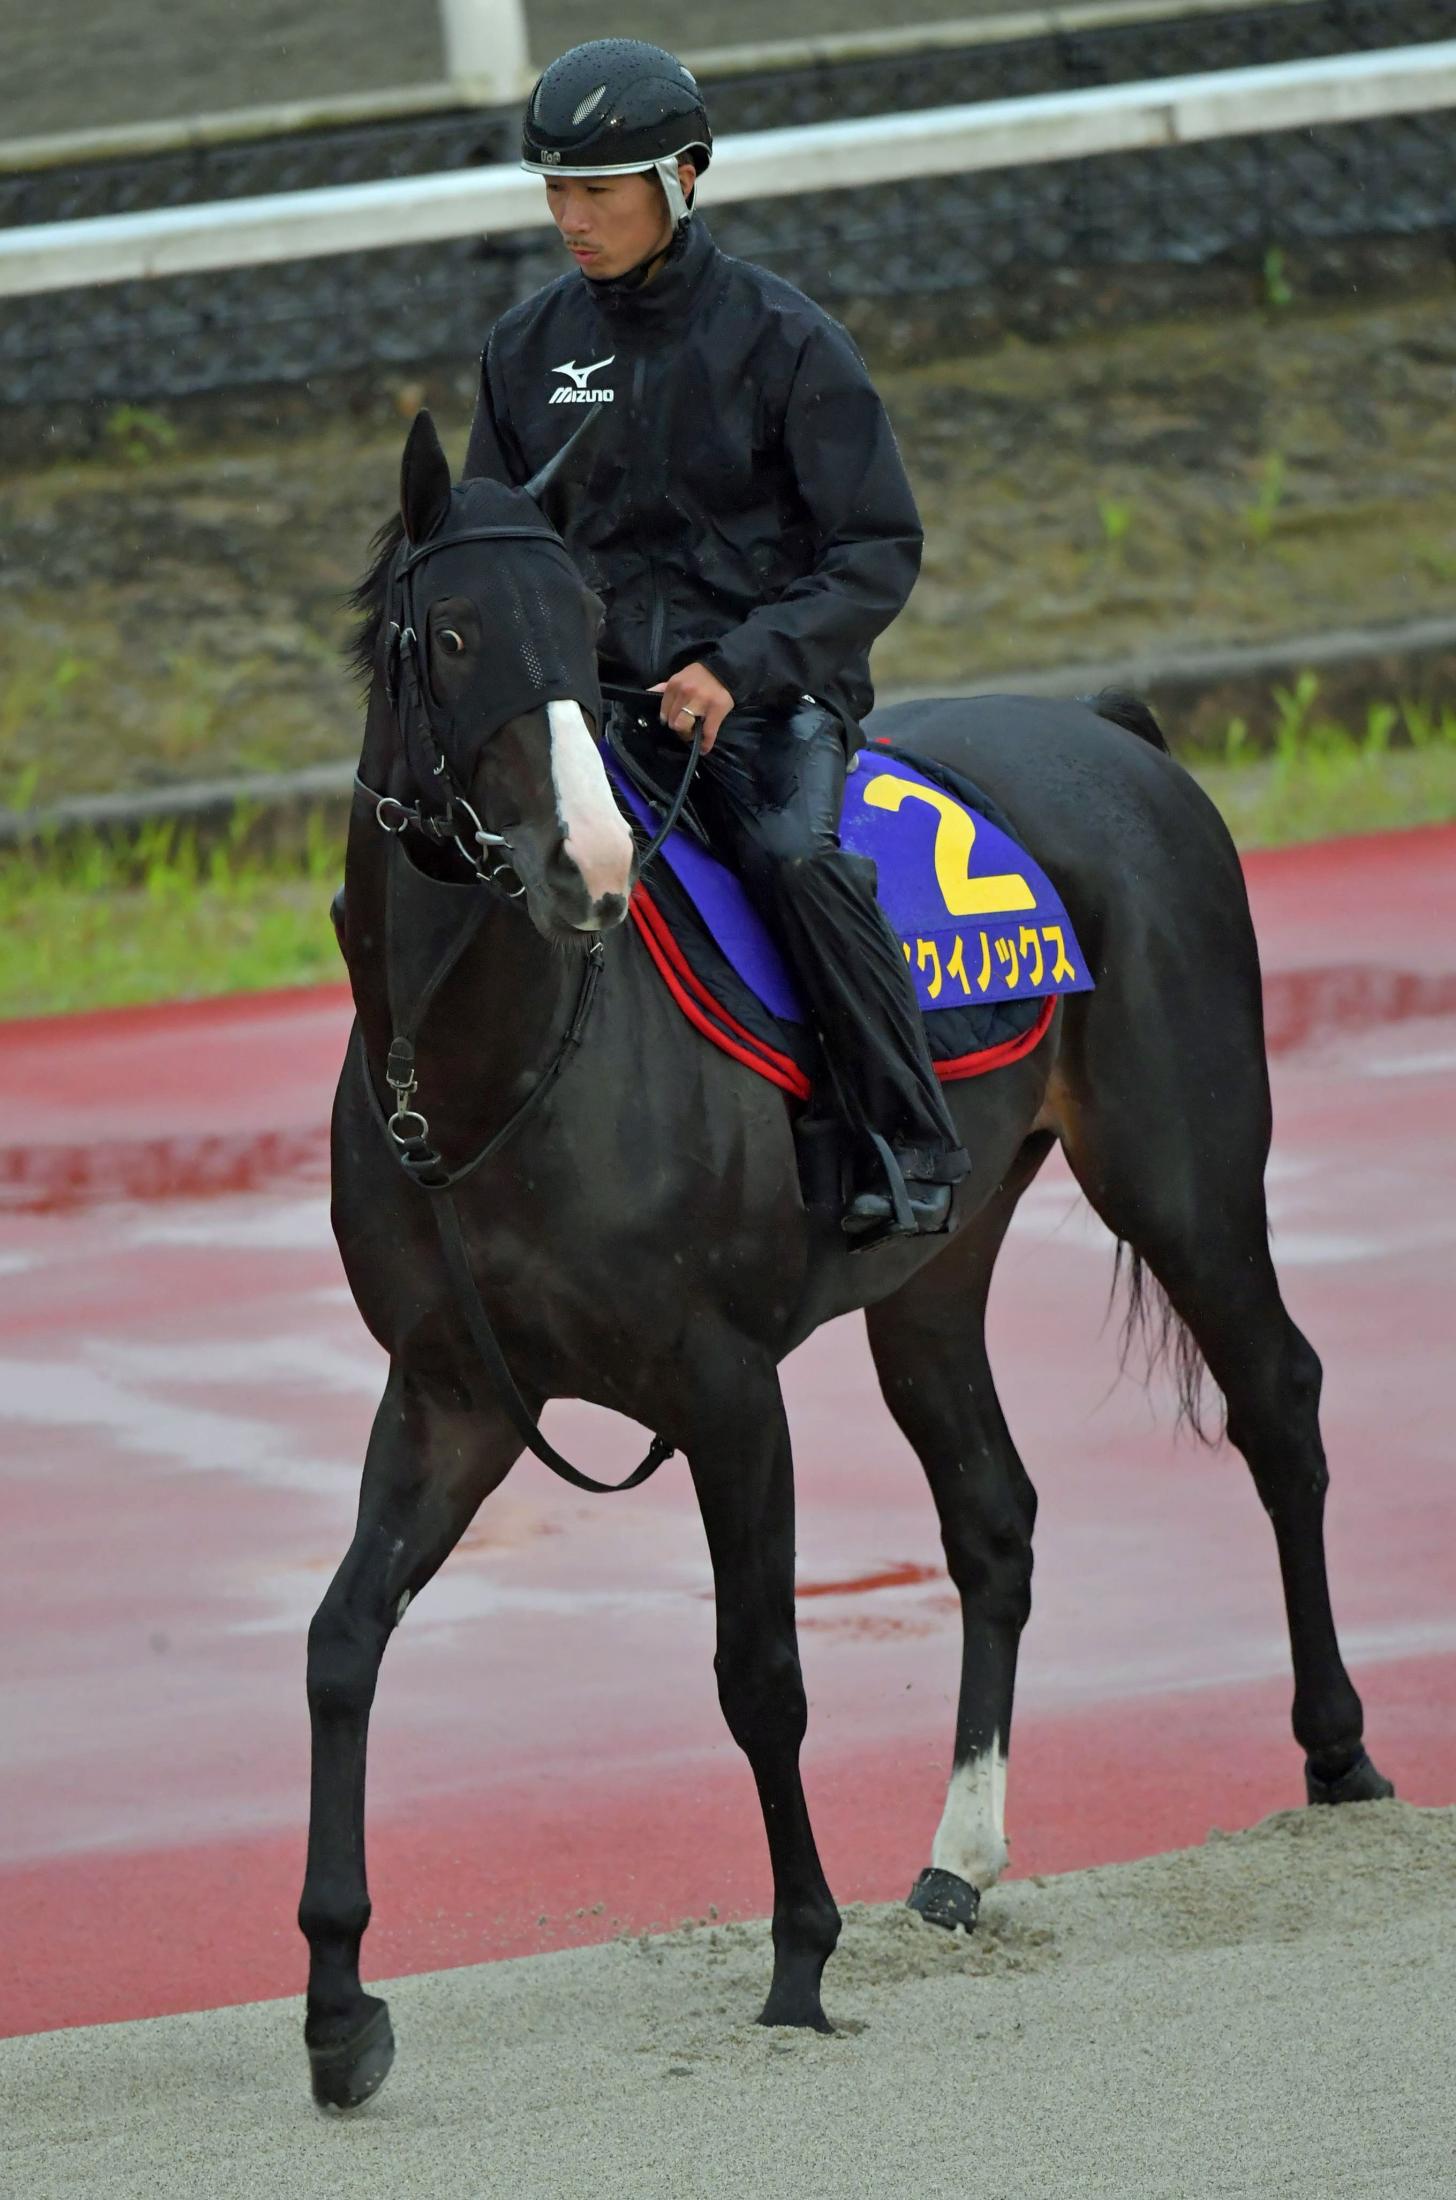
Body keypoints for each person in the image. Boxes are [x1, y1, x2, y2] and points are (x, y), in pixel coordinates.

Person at [465, 38, 969, 1239]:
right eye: (553, 189)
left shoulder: (789, 343)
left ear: (684, 176)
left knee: (796, 858)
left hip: (767, 705)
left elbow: (875, 552)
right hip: (592, 712)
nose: (568, 218)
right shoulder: (524, 352)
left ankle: (902, 1135)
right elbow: (497, 555)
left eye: (598, 190)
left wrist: (738, 668)